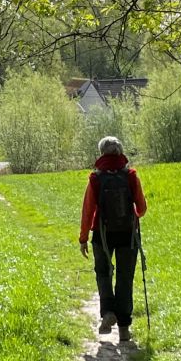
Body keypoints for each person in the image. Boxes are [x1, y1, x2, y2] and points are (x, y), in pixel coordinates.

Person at [79, 136, 148, 341]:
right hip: (128, 234)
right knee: (125, 278)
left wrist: (83, 238)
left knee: (103, 274)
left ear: (101, 153)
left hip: (102, 234)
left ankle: (108, 312)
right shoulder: (131, 175)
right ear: (121, 152)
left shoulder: (95, 178)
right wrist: (131, 214)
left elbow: (88, 211)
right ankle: (125, 328)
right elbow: (142, 209)